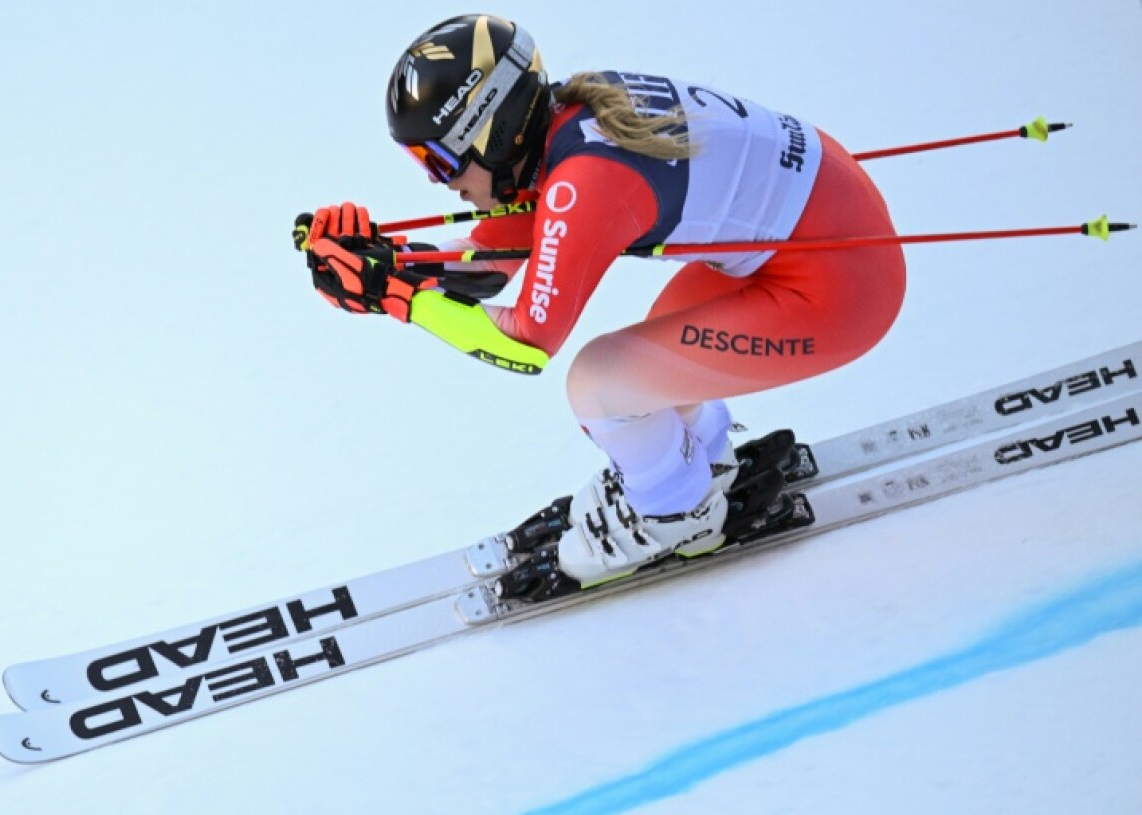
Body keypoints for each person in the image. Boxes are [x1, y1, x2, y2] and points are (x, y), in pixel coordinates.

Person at [294, 14, 906, 588]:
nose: (441, 181)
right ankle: (697, 463)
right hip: (814, 242)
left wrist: (402, 300)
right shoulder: (568, 122)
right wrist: (388, 264)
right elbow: (494, 256)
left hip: (842, 288)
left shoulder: (584, 183)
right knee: (648, 369)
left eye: (440, 158)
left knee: (600, 384)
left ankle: (675, 517)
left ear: (495, 131)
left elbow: (525, 343)